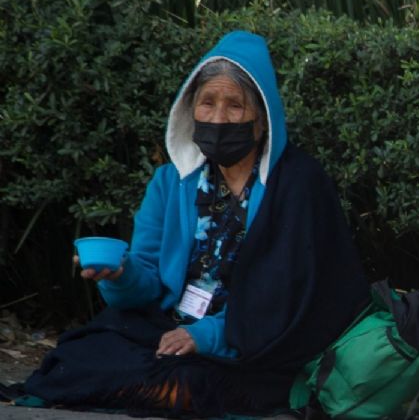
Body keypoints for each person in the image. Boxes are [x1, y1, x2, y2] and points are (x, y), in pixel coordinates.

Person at [22, 31, 369, 416]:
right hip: (171, 327)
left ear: (263, 118)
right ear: (191, 111)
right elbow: (148, 283)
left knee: (186, 385)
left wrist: (205, 335)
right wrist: (118, 275)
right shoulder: (171, 182)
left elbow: (286, 298)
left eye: (235, 106)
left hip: (254, 343)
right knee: (73, 360)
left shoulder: (297, 185)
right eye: (207, 103)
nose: (218, 118)